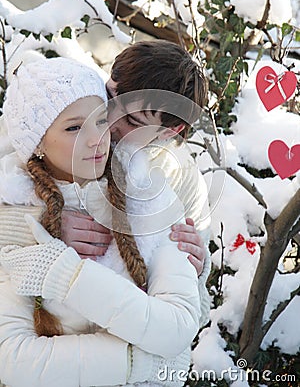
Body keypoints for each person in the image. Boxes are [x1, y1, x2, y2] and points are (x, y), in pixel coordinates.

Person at [0, 56, 203, 387]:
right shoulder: (50, 103)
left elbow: (179, 340)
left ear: (169, 132)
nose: (105, 132)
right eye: (111, 103)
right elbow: (13, 359)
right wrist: (35, 225)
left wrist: (195, 270)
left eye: (131, 120)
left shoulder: (162, 190)